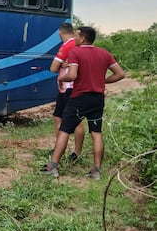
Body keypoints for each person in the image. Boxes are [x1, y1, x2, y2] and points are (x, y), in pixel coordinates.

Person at [42, 26, 125, 180]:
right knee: (96, 133)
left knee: (64, 130)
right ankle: (96, 171)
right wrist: (103, 81)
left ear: (83, 38)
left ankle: (52, 167)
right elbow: (120, 74)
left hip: (79, 97)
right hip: (98, 99)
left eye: (77, 35)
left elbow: (72, 75)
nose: (75, 37)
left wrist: (61, 78)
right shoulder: (104, 53)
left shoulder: (75, 52)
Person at [49, 22, 85, 161]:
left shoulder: (67, 45)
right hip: (70, 87)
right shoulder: (78, 45)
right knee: (59, 116)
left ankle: (73, 152)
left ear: (60, 32)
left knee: (74, 121)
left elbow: (53, 68)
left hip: (69, 87)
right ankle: (65, 149)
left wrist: (60, 65)